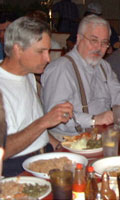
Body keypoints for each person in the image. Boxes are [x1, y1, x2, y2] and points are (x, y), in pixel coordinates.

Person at [41, 14, 120, 138]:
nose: (99, 48)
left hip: (102, 134)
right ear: (79, 39)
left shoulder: (103, 66)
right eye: (94, 40)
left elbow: (117, 94)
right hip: (69, 140)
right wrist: (94, 119)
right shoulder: (62, 69)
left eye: (104, 43)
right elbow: (56, 116)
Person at [0, 17, 73, 177]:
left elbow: (32, 124)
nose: (47, 58)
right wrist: (44, 122)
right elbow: (3, 150)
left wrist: (60, 146)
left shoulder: (29, 75)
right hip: (17, 169)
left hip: (45, 156)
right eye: (41, 51)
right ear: (18, 49)